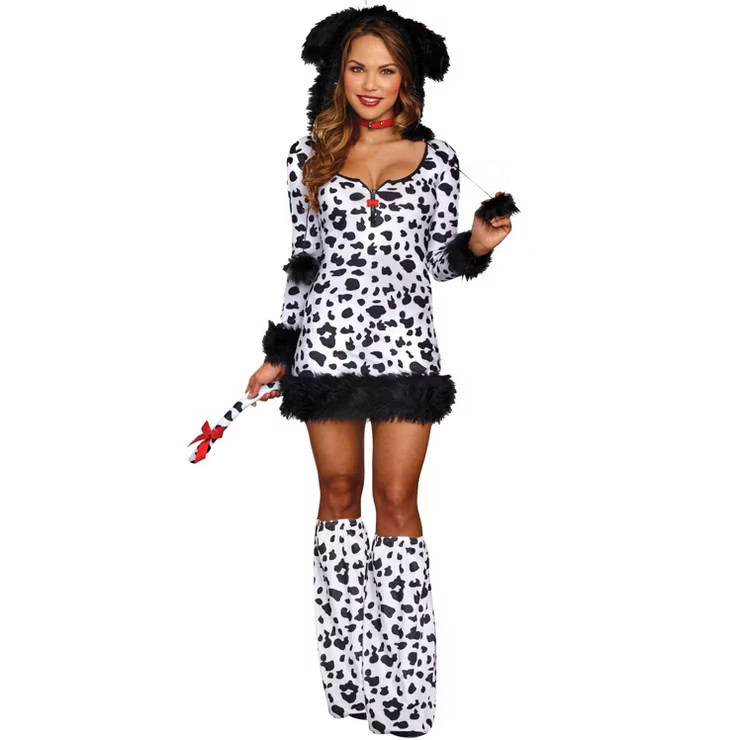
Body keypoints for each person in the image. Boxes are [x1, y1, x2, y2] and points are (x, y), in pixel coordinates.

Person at [244, 6, 512, 736]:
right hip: (326, 349)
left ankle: (404, 690)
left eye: (385, 70)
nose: (369, 83)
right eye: (357, 67)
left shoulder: (436, 156)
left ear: (406, 79)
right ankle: (347, 678)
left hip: (405, 350)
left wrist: (476, 245)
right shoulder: (306, 156)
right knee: (338, 494)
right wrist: (278, 351)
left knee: (396, 500)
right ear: (339, 73)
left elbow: (434, 262)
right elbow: (304, 262)